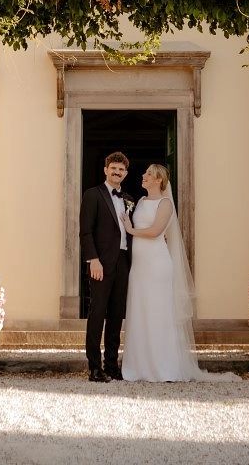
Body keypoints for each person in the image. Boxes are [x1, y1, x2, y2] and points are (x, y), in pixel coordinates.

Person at [119, 163, 217, 382]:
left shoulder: (166, 204)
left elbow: (155, 231)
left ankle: (165, 367)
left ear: (158, 180)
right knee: (140, 311)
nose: (143, 176)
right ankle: (139, 367)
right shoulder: (142, 202)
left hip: (157, 265)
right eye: (145, 173)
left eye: (148, 174)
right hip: (139, 266)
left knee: (158, 313)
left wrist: (131, 230)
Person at [78, 150, 132, 382]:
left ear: (126, 173)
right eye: (113, 168)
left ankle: (111, 365)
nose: (117, 172)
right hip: (100, 263)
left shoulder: (129, 198)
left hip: (123, 262)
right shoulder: (93, 194)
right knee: (97, 314)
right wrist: (93, 260)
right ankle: (94, 367)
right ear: (105, 170)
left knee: (117, 316)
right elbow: (86, 231)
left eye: (121, 169)